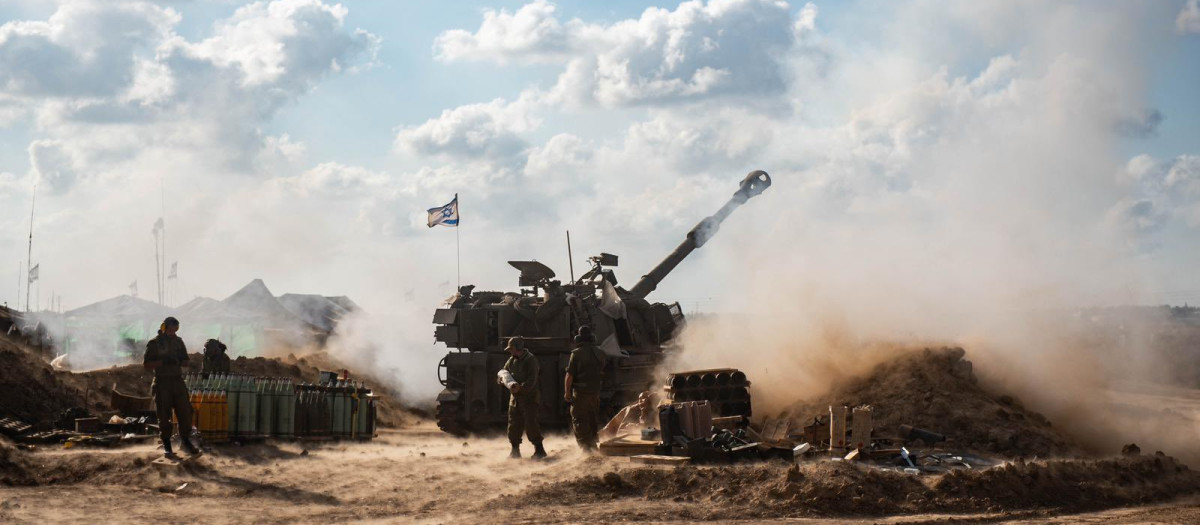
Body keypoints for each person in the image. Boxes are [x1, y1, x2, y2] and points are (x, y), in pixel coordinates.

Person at [143, 316, 199, 457]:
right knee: (163, 414)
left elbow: (186, 361)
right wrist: (162, 362)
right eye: (171, 329)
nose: (173, 332)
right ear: (164, 327)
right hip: (162, 382)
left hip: (177, 381)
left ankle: (185, 441)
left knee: (185, 411)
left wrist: (179, 360)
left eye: (175, 329)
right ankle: (167, 444)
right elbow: (147, 364)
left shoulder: (178, 342)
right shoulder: (154, 343)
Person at [500, 336, 545, 459]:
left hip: (529, 399)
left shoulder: (531, 360)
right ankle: (515, 451)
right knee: (513, 425)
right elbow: (505, 371)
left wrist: (521, 388)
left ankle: (540, 450)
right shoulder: (512, 360)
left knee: (531, 425)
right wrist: (502, 379)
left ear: (518, 348)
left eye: (512, 348)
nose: (510, 351)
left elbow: (532, 380)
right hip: (515, 399)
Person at [564, 325, 607, 451]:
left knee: (579, 418)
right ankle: (593, 445)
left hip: (580, 392)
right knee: (592, 417)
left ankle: (585, 448)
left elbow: (569, 375)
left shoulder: (576, 354)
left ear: (579, 338)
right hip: (595, 392)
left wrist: (567, 392)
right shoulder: (601, 353)